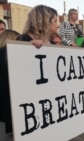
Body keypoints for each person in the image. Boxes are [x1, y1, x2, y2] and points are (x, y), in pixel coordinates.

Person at [1, 5, 58, 134]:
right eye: (55, 21)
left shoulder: (52, 43)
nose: (57, 25)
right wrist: (28, 51)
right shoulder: (24, 40)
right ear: (45, 21)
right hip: (34, 109)